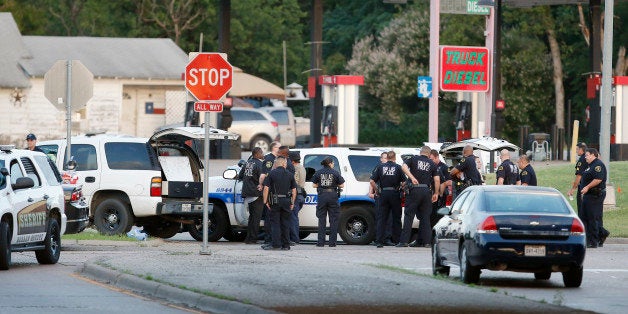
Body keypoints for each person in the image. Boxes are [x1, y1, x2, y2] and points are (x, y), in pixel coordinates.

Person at [397, 146, 439, 248]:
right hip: (426, 191)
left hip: (414, 190)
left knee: (409, 216)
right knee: (425, 217)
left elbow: (403, 167)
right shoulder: (432, 163)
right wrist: (436, 193)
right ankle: (427, 242)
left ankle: (404, 242)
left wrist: (412, 178)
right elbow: (437, 180)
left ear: (420, 152)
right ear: (429, 154)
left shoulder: (413, 159)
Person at [369, 151, 404, 248]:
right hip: (394, 193)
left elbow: (372, 181)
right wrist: (401, 187)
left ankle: (379, 241)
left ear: (387, 157)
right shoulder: (398, 167)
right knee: (396, 217)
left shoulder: (380, 167)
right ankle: (397, 241)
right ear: (395, 158)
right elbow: (404, 182)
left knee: (382, 218)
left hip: (383, 193)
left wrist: (377, 191)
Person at [261, 156, 297, 250]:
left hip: (275, 201)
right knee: (285, 223)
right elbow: (294, 190)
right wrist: (292, 202)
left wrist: (265, 201)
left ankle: (276, 244)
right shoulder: (290, 174)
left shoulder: (271, 174)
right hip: (286, 201)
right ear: (284, 164)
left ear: (276, 164)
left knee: (275, 223)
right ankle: (286, 245)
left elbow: (266, 188)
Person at [312, 157, 345, 247]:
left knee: (321, 219)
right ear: (330, 163)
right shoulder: (335, 172)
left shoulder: (318, 172)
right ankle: (332, 243)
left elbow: (314, 185)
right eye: (333, 163)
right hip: (333, 196)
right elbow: (342, 185)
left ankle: (320, 242)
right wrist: (333, 184)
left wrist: (322, 185)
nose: (333, 164)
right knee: (333, 220)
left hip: (322, 196)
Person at [580, 148, 610, 248]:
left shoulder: (598, 165)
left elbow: (598, 179)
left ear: (593, 155)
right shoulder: (590, 166)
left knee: (592, 217)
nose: (585, 157)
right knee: (585, 217)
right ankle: (600, 235)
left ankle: (594, 241)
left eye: (587, 155)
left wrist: (587, 187)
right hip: (588, 195)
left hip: (595, 195)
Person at [239, 147, 265, 244]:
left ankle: (248, 238)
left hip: (247, 193)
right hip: (256, 194)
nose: (263, 154)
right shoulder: (260, 164)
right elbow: (262, 178)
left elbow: (240, 176)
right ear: (257, 154)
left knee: (251, 217)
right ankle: (253, 238)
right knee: (256, 218)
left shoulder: (247, 163)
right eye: (262, 153)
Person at [369, 152, 394, 246]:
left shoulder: (392, 168)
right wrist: (372, 192)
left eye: (387, 158)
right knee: (380, 217)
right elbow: (372, 181)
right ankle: (378, 239)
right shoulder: (378, 167)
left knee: (389, 218)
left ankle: (387, 239)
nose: (386, 159)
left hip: (389, 194)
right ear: (381, 159)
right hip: (380, 195)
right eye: (384, 158)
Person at [259, 141, 281, 245]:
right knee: (269, 216)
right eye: (278, 147)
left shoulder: (278, 159)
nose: (280, 149)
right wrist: (261, 185)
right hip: (269, 190)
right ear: (274, 148)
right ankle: (268, 239)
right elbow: (265, 174)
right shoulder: (269, 159)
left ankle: (274, 238)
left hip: (276, 190)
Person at [428, 149, 451, 229]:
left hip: (441, 195)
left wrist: (440, 193)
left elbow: (448, 181)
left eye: (432, 159)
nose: (430, 161)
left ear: (437, 157)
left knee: (439, 215)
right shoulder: (430, 166)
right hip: (433, 193)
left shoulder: (444, 167)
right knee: (432, 215)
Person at [289, 151, 306, 245]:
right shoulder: (302, 167)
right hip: (301, 195)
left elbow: (294, 182)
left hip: (296, 195)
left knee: (293, 217)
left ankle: (294, 238)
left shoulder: (295, 168)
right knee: (294, 217)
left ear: (292, 161)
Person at [568, 142, 588, 220]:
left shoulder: (582, 160)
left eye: (577, 149)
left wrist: (573, 189)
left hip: (582, 187)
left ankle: (583, 227)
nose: (576, 151)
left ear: (581, 149)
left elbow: (579, 176)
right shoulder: (587, 158)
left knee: (581, 209)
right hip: (587, 186)